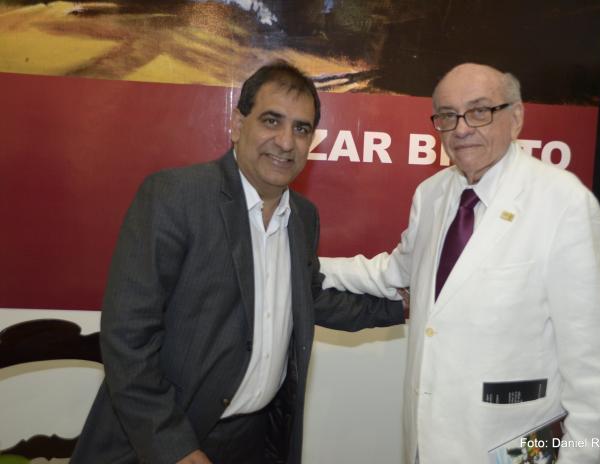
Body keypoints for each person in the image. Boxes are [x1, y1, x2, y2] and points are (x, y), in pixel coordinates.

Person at [71, 61, 404, 464]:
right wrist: (173, 447)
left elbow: (307, 298)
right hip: (158, 442)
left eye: (301, 129)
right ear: (237, 124)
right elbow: (127, 338)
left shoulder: (303, 217)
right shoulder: (175, 196)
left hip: (250, 442)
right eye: (271, 121)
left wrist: (400, 307)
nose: (286, 142)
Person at [320, 63, 600, 463]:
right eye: (447, 115)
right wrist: (307, 264)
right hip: (426, 442)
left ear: (516, 118)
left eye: (479, 111)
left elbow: (592, 366)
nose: (461, 129)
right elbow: (393, 273)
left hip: (513, 443)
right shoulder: (431, 194)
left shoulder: (563, 201)